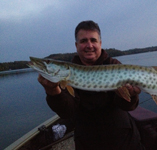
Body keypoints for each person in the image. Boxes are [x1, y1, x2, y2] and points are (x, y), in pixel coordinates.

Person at [38, 20, 144, 150]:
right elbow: (67, 112)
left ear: (100, 43)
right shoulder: (67, 75)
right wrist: (53, 92)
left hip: (122, 140)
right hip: (87, 142)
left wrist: (131, 95)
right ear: (76, 46)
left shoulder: (114, 65)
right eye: (83, 41)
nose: (89, 45)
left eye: (93, 40)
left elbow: (127, 106)